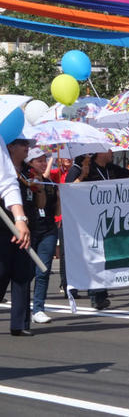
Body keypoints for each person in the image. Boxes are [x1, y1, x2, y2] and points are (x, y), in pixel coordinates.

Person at [67, 149, 129, 310]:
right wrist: (83, 176)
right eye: (108, 150)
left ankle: (100, 294)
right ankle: (96, 295)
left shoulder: (112, 168)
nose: (112, 152)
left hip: (109, 218)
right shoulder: (84, 168)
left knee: (105, 257)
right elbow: (67, 189)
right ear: (99, 153)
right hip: (88, 220)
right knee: (94, 256)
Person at [23, 148, 58, 324]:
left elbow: (52, 209)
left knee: (43, 271)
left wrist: (58, 195)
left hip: (48, 230)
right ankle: (20, 307)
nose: (43, 163)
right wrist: (37, 188)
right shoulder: (24, 182)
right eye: (39, 160)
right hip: (29, 231)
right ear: (30, 163)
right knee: (26, 272)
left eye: (44, 160)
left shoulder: (49, 183)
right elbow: (38, 204)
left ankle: (38, 309)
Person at [2, 136, 32, 335]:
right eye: (23, 144)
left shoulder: (28, 172)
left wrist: (20, 219)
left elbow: (7, 183)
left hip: (10, 228)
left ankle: (19, 324)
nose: (27, 148)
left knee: (20, 273)